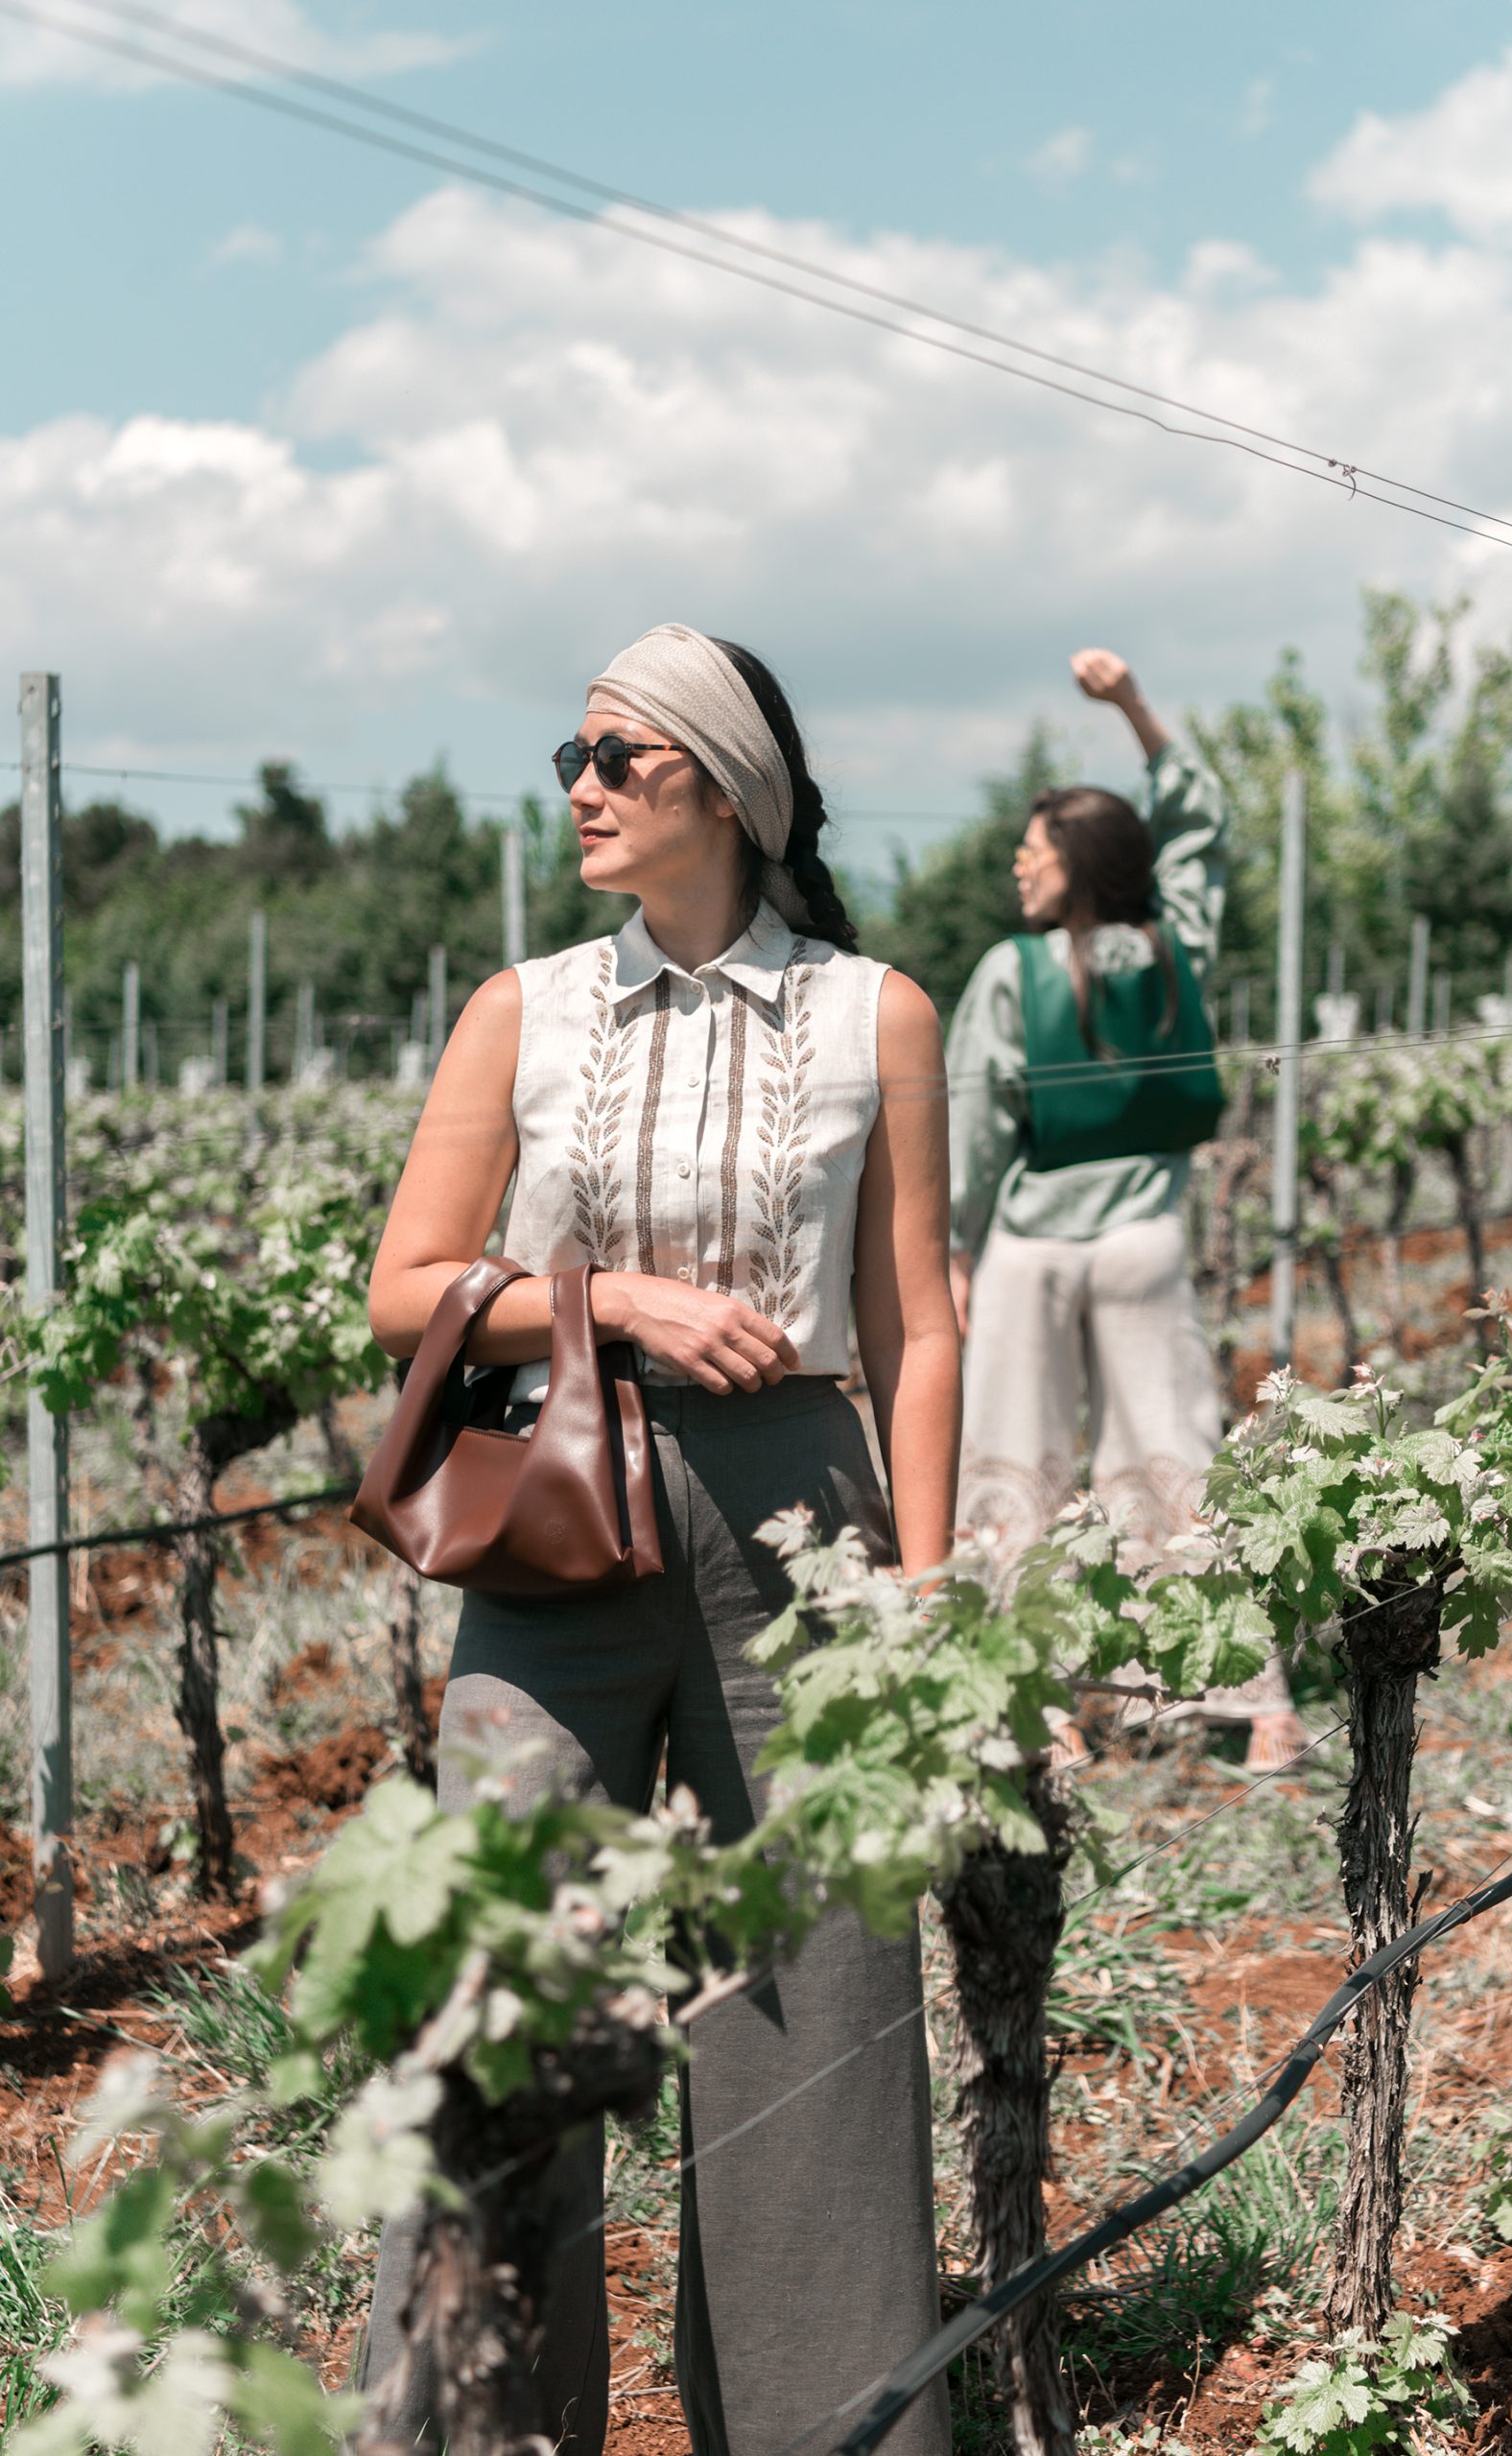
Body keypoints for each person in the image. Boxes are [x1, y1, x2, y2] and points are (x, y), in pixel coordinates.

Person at [360, 624, 958, 2456]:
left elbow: (919, 1321)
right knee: (505, 1963)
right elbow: (403, 1290)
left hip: (803, 1522)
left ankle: (824, 2426)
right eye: (576, 754)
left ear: (730, 788)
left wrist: (922, 1597)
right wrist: (612, 1300)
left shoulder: (880, 1016)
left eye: (623, 755)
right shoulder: (518, 1009)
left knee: (820, 1985)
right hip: (562, 1511)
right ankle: (478, 2425)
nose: (584, 786)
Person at [947, 646, 1304, 1768]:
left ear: (1080, 863)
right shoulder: (1171, 946)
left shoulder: (1013, 972)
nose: (1018, 862)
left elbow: (975, 1126)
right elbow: (1197, 824)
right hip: (1143, 1240)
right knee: (1174, 1461)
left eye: (1035, 847)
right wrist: (1134, 708)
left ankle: (1032, 1710)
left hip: (1031, 1248)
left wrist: (956, 1247)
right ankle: (1244, 1705)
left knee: (1015, 1464)